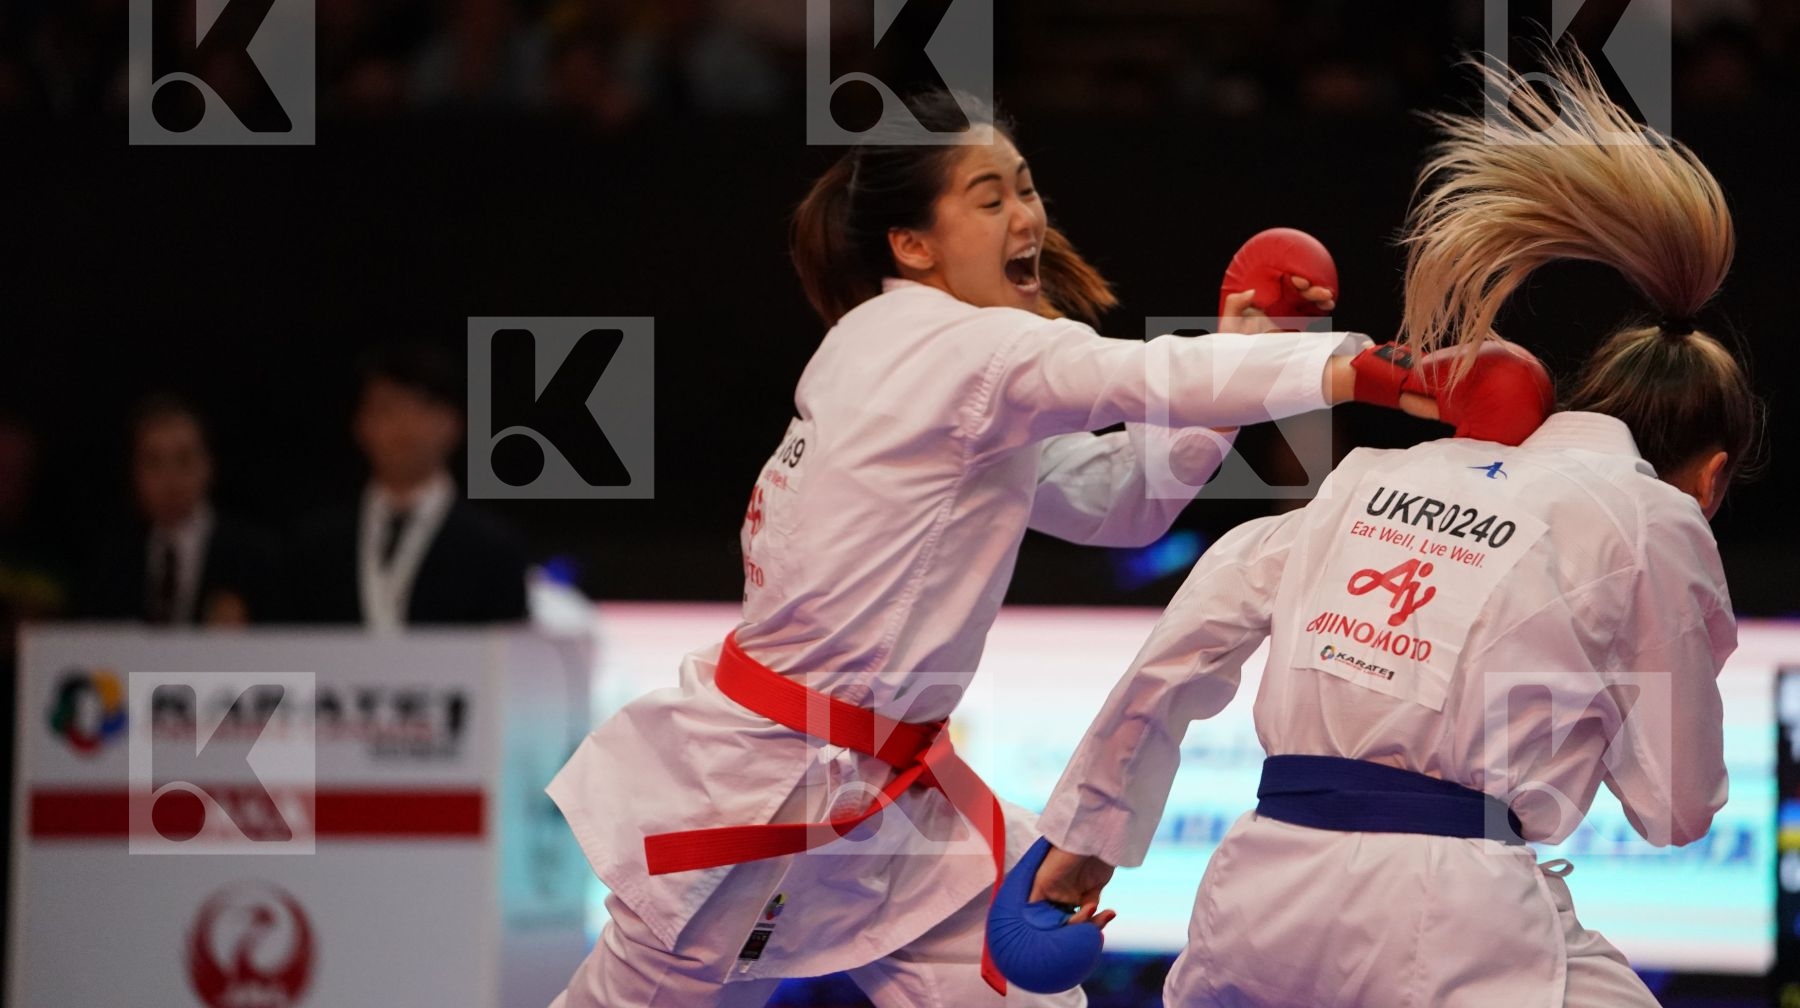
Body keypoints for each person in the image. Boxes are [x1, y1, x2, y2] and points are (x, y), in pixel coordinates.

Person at [545, 89, 1418, 1008]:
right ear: (912, 245)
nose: (1027, 215)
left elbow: (1118, 503)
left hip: (890, 794)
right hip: (764, 778)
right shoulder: (953, 346)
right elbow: (1136, 372)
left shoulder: (925, 361)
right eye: (989, 197)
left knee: (1017, 993)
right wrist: (1363, 369)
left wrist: (1248, 359)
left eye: (1027, 188)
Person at [1030, 52, 1756, 1007]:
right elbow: (1673, 811)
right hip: (1449, 918)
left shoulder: (1367, 476)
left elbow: (1187, 639)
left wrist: (1086, 835)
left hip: (1258, 896)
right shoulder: (1653, 521)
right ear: (1710, 477)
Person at [282, 344, 528, 628]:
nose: (405, 426)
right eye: (388, 409)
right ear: (361, 425)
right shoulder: (315, 545)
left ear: (455, 424)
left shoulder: (493, 546)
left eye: (423, 409)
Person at [84, 393, 276, 626]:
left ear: (208, 465)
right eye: (153, 462)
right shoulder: (114, 558)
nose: (170, 480)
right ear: (134, 471)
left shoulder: (251, 555)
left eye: (184, 459)